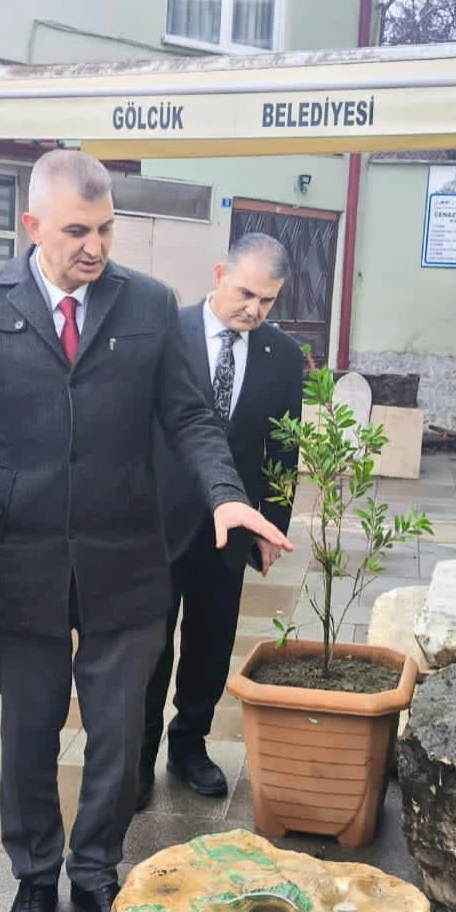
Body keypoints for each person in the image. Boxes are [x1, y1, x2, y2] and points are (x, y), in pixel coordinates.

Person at [0, 151, 291, 912]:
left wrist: (227, 493)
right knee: (27, 731)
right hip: (19, 562)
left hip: (129, 556)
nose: (94, 246)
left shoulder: (149, 306)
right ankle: (33, 876)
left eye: (105, 229)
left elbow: (193, 418)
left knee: (119, 733)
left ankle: (95, 866)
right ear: (33, 227)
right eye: (77, 231)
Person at [138, 235, 303, 810]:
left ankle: (190, 746)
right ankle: (137, 759)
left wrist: (270, 525)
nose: (255, 310)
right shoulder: (166, 331)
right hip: (158, 521)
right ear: (219, 274)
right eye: (247, 293)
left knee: (210, 643)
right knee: (150, 646)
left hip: (231, 530)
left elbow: (284, 450)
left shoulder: (281, 356)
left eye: (268, 301)